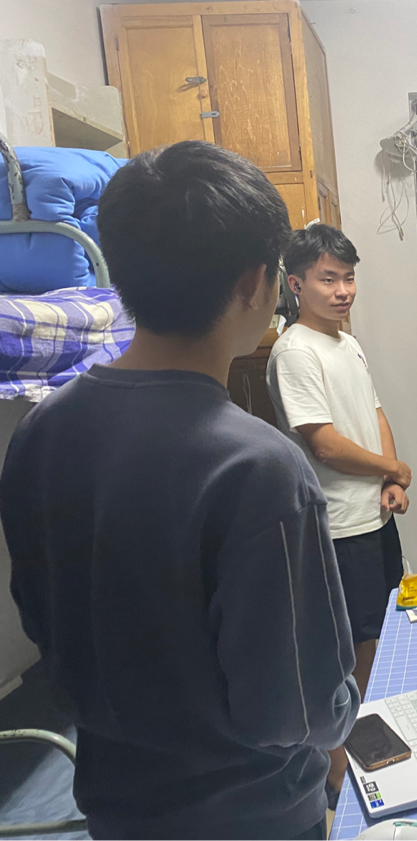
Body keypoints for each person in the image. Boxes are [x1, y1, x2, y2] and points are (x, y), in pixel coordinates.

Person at [0, 142, 358, 841]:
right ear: (256, 282)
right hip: (252, 817)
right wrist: (348, 714)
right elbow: (296, 710)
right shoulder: (258, 467)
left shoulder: (41, 430)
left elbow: (42, 619)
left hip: (115, 802)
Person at [266, 224, 409, 804]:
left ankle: (365, 743)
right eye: (329, 279)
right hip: (338, 527)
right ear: (296, 284)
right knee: (343, 653)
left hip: (374, 517)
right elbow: (323, 445)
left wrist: (391, 477)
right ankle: (337, 769)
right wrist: (392, 468)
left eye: (348, 278)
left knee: (377, 635)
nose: (343, 290)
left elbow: (374, 413)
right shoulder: (294, 351)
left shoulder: (346, 343)